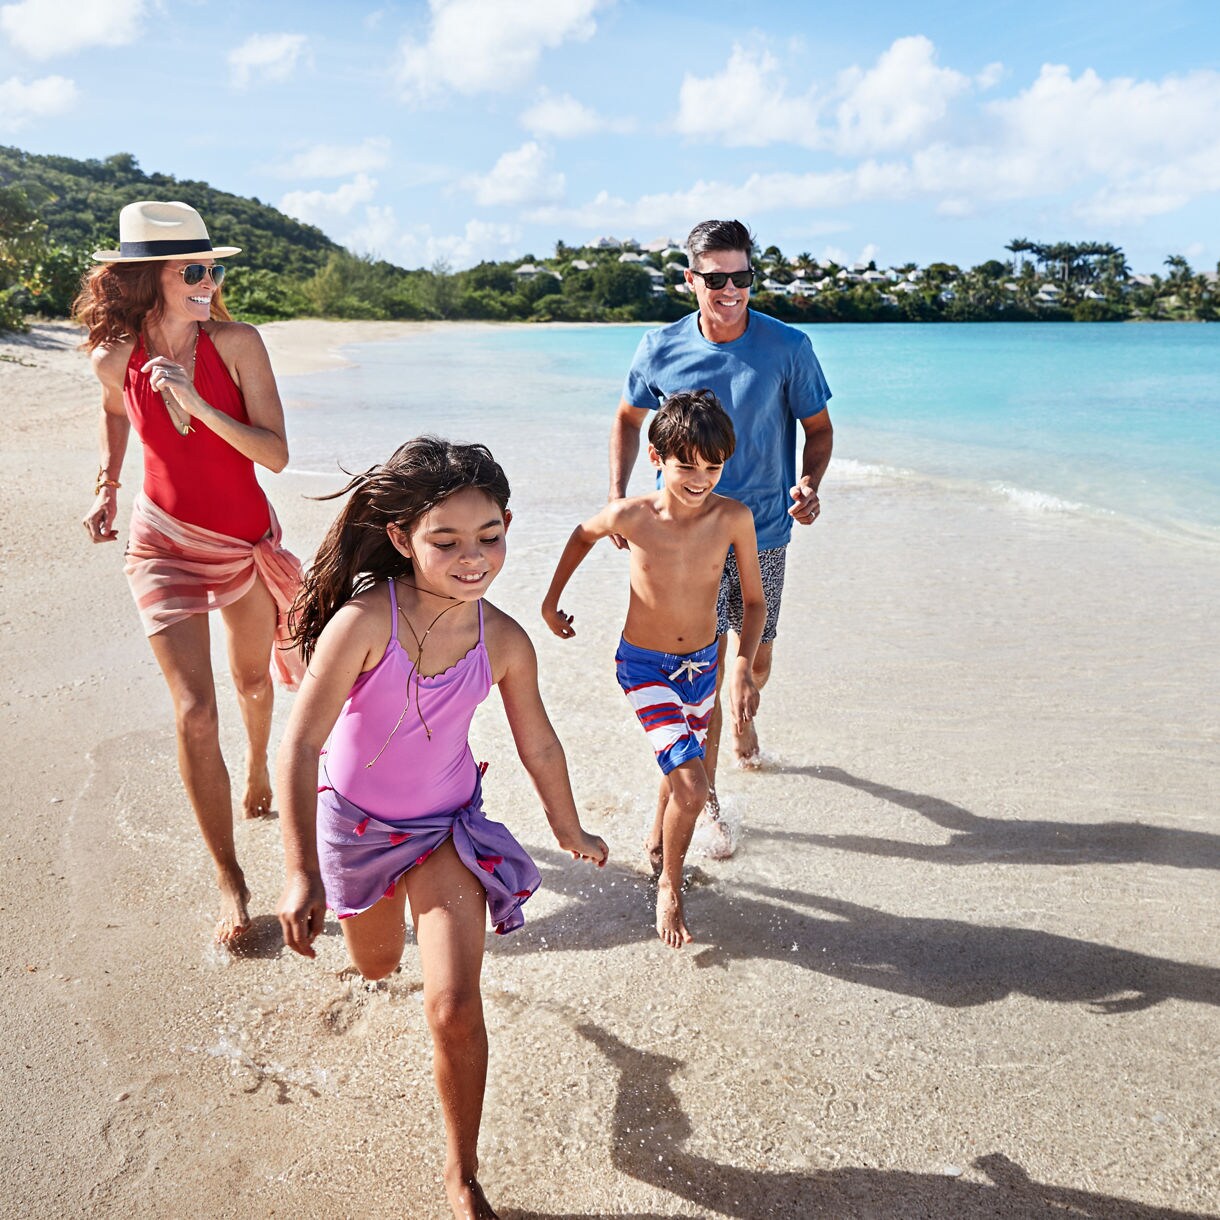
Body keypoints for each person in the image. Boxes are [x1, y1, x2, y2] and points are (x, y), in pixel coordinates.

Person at [275, 437, 608, 1220]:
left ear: (508, 525)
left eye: (489, 537)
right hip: (355, 830)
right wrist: (302, 873)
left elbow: (538, 742)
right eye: (447, 541)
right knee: (377, 967)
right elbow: (301, 743)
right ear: (401, 539)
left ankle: (463, 1174)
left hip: (445, 829)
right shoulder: (363, 622)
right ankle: (368, 946)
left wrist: (570, 826)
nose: (473, 558)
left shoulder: (503, 640)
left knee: (453, 1007)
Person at [75, 199, 304, 945]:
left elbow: (274, 454)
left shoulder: (238, 343)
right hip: (162, 543)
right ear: (150, 279)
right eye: (193, 271)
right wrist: (109, 484)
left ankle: (260, 766)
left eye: (212, 269)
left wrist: (196, 402)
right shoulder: (115, 356)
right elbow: (117, 410)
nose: (209, 283)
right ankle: (231, 879)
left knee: (252, 682)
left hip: (241, 544)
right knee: (196, 710)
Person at [609, 218, 833, 858]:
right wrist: (618, 494)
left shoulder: (788, 347)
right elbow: (627, 419)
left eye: (741, 277)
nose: (730, 289)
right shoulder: (659, 348)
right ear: (692, 281)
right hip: (685, 538)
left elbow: (819, 431)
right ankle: (702, 805)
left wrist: (808, 485)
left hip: (763, 532)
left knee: (754, 659)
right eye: (716, 278)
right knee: (698, 677)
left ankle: (746, 710)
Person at [542, 391, 763, 948]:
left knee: (688, 768)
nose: (700, 478)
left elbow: (755, 603)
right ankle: (669, 884)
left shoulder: (733, 517)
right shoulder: (632, 516)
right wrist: (551, 601)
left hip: (704, 665)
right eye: (686, 464)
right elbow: (583, 534)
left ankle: (657, 845)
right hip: (644, 666)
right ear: (656, 457)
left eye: (712, 467)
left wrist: (741, 662)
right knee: (691, 787)